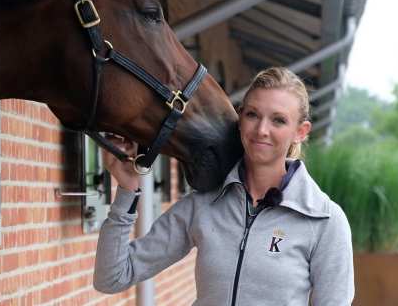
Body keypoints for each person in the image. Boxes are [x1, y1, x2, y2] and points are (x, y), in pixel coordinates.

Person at [93, 67, 354, 305]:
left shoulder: (325, 221)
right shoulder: (203, 204)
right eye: (252, 114)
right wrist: (127, 190)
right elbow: (112, 277)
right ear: (240, 119)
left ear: (301, 131)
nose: (262, 129)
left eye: (278, 120)